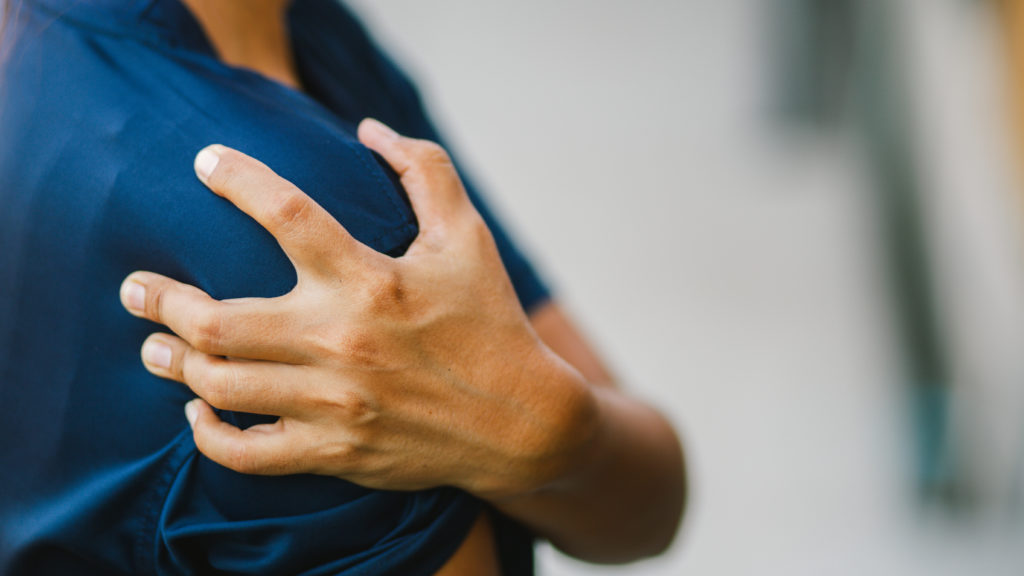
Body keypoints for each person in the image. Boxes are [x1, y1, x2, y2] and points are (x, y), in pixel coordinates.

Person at [0, 0, 684, 573]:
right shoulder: (306, 238)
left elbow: (652, 493)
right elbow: (642, 504)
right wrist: (568, 443)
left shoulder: (303, 31)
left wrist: (552, 429)